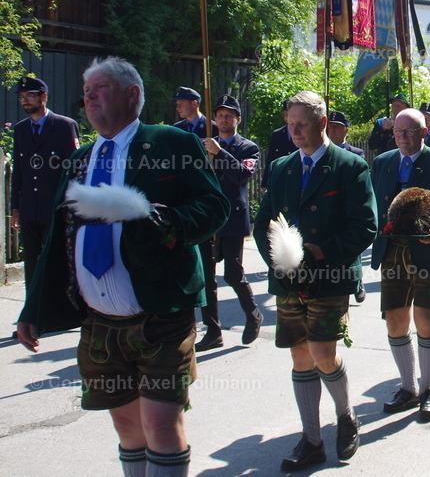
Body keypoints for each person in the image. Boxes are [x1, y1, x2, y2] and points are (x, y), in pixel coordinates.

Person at [17, 56, 229, 477]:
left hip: (162, 312)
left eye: (100, 88)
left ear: (132, 94)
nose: (88, 97)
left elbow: (214, 206)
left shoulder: (170, 143)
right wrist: (32, 309)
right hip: (100, 322)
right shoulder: (80, 160)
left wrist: (167, 222)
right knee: (127, 426)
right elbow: (59, 242)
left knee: (161, 426)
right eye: (86, 91)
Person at [254, 91, 377, 470]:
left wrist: (324, 251)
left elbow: (366, 226)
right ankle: (311, 439)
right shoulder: (281, 168)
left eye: (302, 123)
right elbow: (264, 224)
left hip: (331, 274)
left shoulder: (349, 166)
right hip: (290, 278)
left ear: (322, 123)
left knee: (323, 352)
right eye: (290, 123)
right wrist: (278, 259)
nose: (294, 130)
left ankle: (346, 417)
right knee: (300, 355)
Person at [370, 109, 430, 421]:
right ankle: (408, 387)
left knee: (426, 321)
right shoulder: (383, 163)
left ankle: (428, 389)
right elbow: (373, 208)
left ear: (424, 133)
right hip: (392, 252)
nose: (403, 138)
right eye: (398, 132)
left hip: (428, 251)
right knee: (395, 322)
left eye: (410, 132)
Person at [195, 94, 263, 351]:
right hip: (208, 218)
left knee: (233, 275)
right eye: (220, 115)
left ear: (238, 119)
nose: (224, 120)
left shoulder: (248, 148)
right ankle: (213, 331)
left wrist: (219, 152)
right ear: (214, 118)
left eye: (229, 116)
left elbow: (242, 175)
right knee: (206, 279)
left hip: (232, 218)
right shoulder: (202, 144)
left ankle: (253, 313)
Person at [10, 75, 79, 290]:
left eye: (30, 96)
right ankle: (32, 313)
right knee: (31, 261)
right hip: (30, 207)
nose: (25, 101)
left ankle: (55, 313)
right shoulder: (21, 129)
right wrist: (15, 208)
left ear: (44, 97)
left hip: (55, 206)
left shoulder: (64, 126)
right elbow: (19, 173)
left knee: (57, 261)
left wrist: (71, 206)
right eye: (22, 97)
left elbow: (74, 170)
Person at [326, 110, 368, 304]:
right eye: (330, 126)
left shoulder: (355, 154)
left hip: (348, 205)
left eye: (337, 127)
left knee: (352, 248)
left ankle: (357, 281)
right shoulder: (322, 152)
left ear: (346, 131)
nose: (333, 131)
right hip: (330, 206)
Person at [262, 99, 295, 190]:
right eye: (285, 114)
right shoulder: (277, 134)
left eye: (290, 114)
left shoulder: (303, 133)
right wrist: (265, 183)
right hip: (279, 180)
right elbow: (270, 159)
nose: (287, 117)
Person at [368, 93, 412, 158]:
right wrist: (382, 131)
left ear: (406, 108)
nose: (397, 108)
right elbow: (371, 145)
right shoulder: (380, 123)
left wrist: (393, 128)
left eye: (400, 105)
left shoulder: (409, 124)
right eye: (394, 105)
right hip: (383, 160)